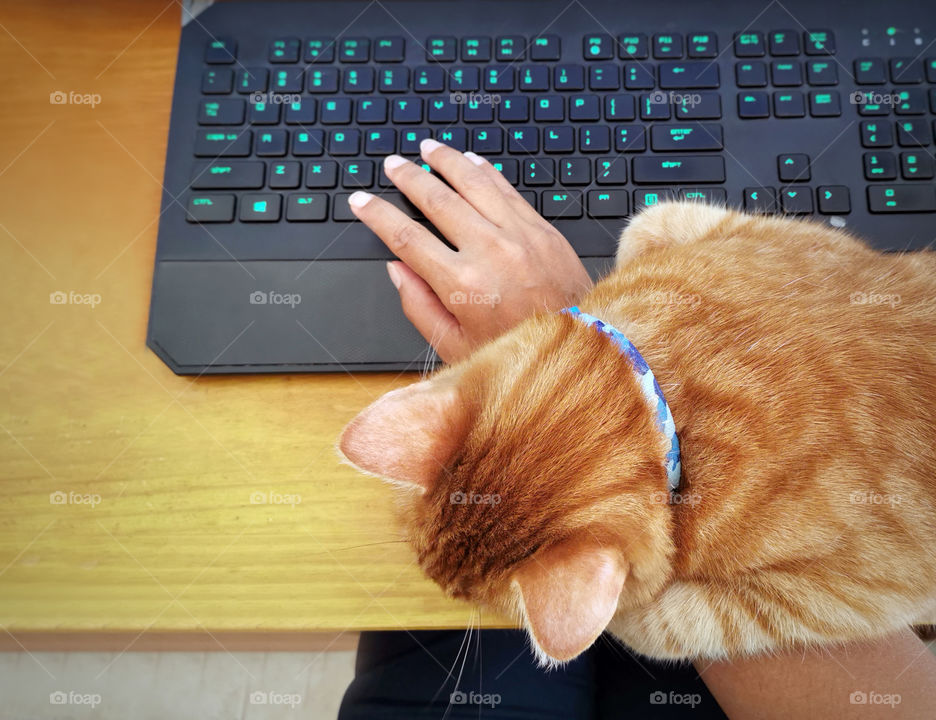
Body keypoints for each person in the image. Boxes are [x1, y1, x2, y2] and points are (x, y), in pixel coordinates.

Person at [338, 140, 936, 718]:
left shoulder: (798, 514)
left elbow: (899, 588)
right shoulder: (683, 279)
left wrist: (649, 626)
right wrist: (571, 321)